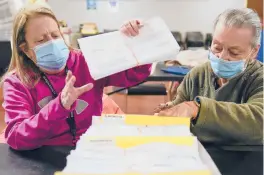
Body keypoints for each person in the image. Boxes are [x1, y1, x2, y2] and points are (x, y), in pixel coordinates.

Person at [2, 3, 151, 150]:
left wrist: (137, 42)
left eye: (55, 35)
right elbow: (16, 136)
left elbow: (134, 75)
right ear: (25, 49)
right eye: (41, 40)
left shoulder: (87, 61)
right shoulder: (16, 82)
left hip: (91, 149)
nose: (52, 43)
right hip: (43, 158)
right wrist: (59, 106)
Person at [155, 8, 263, 145]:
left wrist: (198, 109)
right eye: (217, 47)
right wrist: (170, 110)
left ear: (254, 51)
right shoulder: (197, 75)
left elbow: (259, 122)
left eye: (234, 52)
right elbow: (180, 110)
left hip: (245, 163)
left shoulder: (259, 79)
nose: (222, 57)